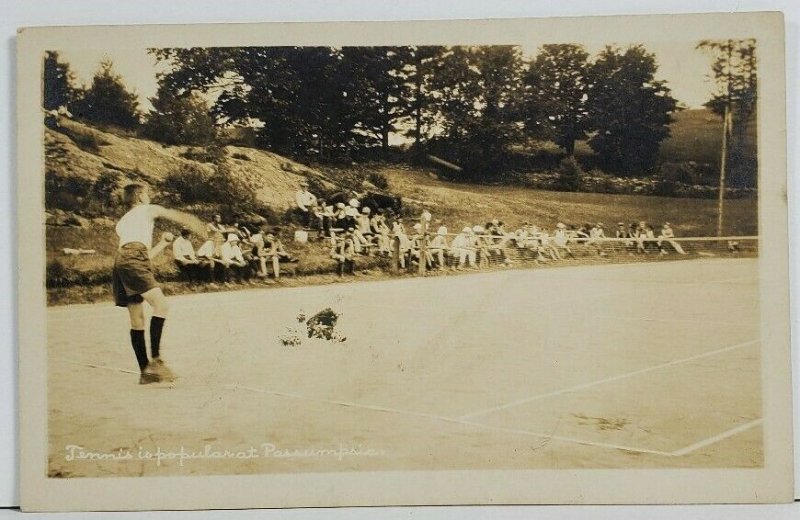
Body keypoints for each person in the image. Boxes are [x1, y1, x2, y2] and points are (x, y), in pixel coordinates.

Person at [112, 183, 206, 384]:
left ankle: (145, 372)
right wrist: (193, 221)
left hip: (122, 261)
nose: (148, 196)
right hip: (133, 259)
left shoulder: (123, 222)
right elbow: (172, 214)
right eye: (146, 193)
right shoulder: (147, 209)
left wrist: (163, 243)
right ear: (139, 196)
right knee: (161, 305)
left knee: (137, 319)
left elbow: (143, 256)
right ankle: (156, 361)